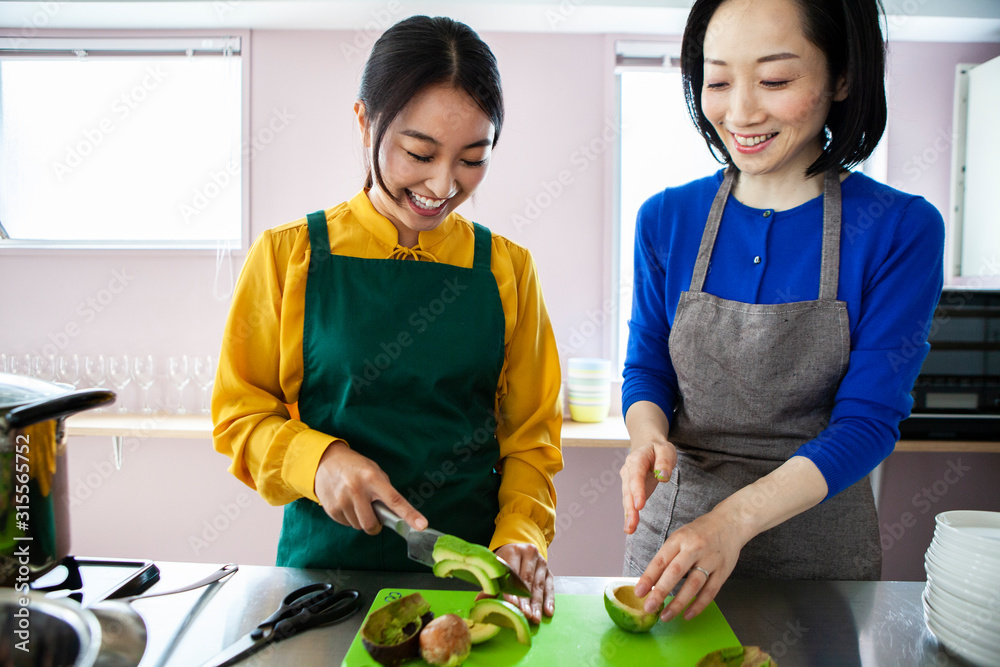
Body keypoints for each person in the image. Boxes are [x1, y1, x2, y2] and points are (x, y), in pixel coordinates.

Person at [213, 15, 562, 623]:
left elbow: (529, 438)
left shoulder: (508, 269)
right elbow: (239, 417)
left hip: (470, 588)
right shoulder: (287, 256)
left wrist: (523, 532)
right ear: (365, 122)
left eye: (472, 158)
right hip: (323, 583)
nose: (442, 183)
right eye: (419, 152)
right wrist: (317, 461)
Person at [619, 0, 944, 624]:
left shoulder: (900, 229)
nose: (739, 112)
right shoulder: (665, 219)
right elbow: (647, 366)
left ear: (842, 77)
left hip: (818, 559)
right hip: (674, 549)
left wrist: (733, 521)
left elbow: (868, 423)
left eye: (774, 80)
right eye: (717, 81)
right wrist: (646, 437)